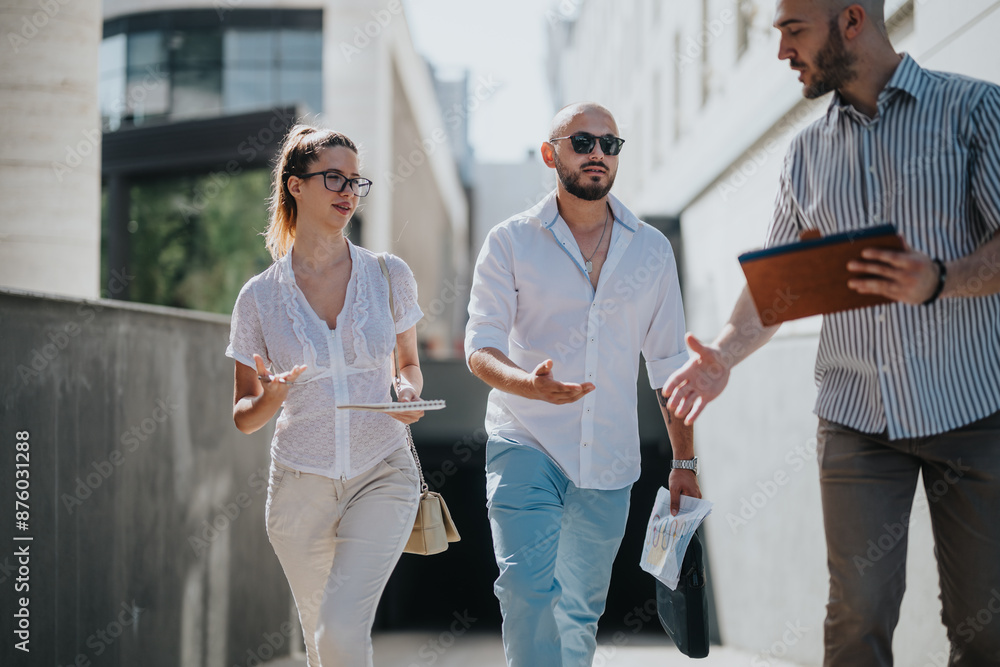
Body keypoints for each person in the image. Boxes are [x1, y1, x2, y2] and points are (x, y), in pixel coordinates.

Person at [663, 1, 1000, 665]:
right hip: (856, 422)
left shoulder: (976, 111)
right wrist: (724, 356)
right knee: (856, 614)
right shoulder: (806, 153)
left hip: (973, 410)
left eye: (794, 31)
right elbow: (777, 286)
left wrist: (937, 277)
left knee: (983, 623)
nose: (782, 51)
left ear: (851, 20)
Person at [465, 102, 702, 666]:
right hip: (525, 439)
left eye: (610, 145)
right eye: (583, 142)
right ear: (551, 154)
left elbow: (669, 366)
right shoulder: (510, 241)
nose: (598, 153)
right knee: (524, 590)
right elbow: (480, 347)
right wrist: (527, 384)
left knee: (579, 611)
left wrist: (685, 463)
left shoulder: (650, 248)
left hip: (609, 461)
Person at [226, 125, 426, 667]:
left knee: (340, 632)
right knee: (321, 645)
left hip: (382, 472)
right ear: (295, 186)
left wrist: (406, 389)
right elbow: (245, 415)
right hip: (299, 490)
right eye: (333, 177)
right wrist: (272, 396)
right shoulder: (259, 298)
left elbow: (407, 364)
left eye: (355, 180)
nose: (347, 191)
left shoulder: (388, 274)